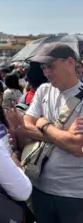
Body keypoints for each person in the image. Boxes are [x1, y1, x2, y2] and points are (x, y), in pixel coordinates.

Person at [18, 43, 83, 222]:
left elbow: (77, 146)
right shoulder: (44, 90)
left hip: (74, 193)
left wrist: (44, 124)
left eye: (51, 66)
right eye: (44, 67)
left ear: (70, 62)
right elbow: (26, 126)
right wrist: (63, 137)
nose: (46, 72)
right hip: (40, 186)